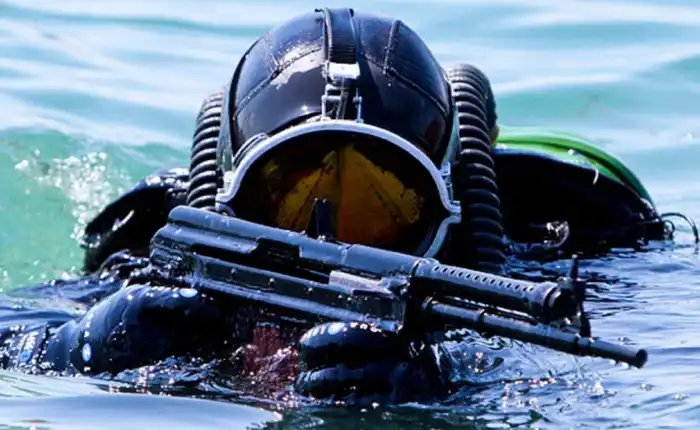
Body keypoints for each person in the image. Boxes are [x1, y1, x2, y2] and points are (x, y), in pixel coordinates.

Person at [0, 7, 682, 406]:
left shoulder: (550, 252)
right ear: (232, 198)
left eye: (383, 207)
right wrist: (75, 346)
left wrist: (453, 384)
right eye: (291, 198)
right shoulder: (160, 247)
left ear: (442, 212)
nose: (330, 251)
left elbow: (653, 371)